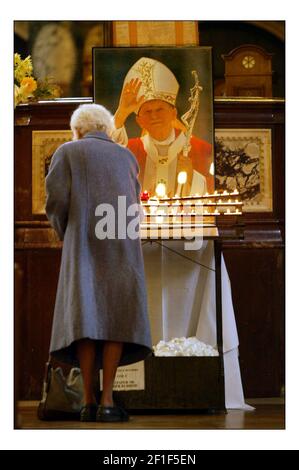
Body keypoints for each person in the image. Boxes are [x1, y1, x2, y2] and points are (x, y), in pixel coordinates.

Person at [45, 103, 152, 422]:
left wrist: (68, 232)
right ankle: (107, 402)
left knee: (86, 320)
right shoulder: (127, 156)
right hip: (122, 245)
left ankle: (87, 402)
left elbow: (56, 201)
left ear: (77, 130)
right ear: (106, 130)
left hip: (84, 248)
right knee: (116, 318)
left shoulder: (69, 151)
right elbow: (135, 204)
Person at [113, 57, 214, 197]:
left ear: (174, 113)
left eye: (160, 109)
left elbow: (214, 194)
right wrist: (121, 114)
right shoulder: (131, 150)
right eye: (148, 111)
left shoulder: (200, 149)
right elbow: (106, 161)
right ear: (139, 121)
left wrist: (192, 177)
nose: (154, 116)